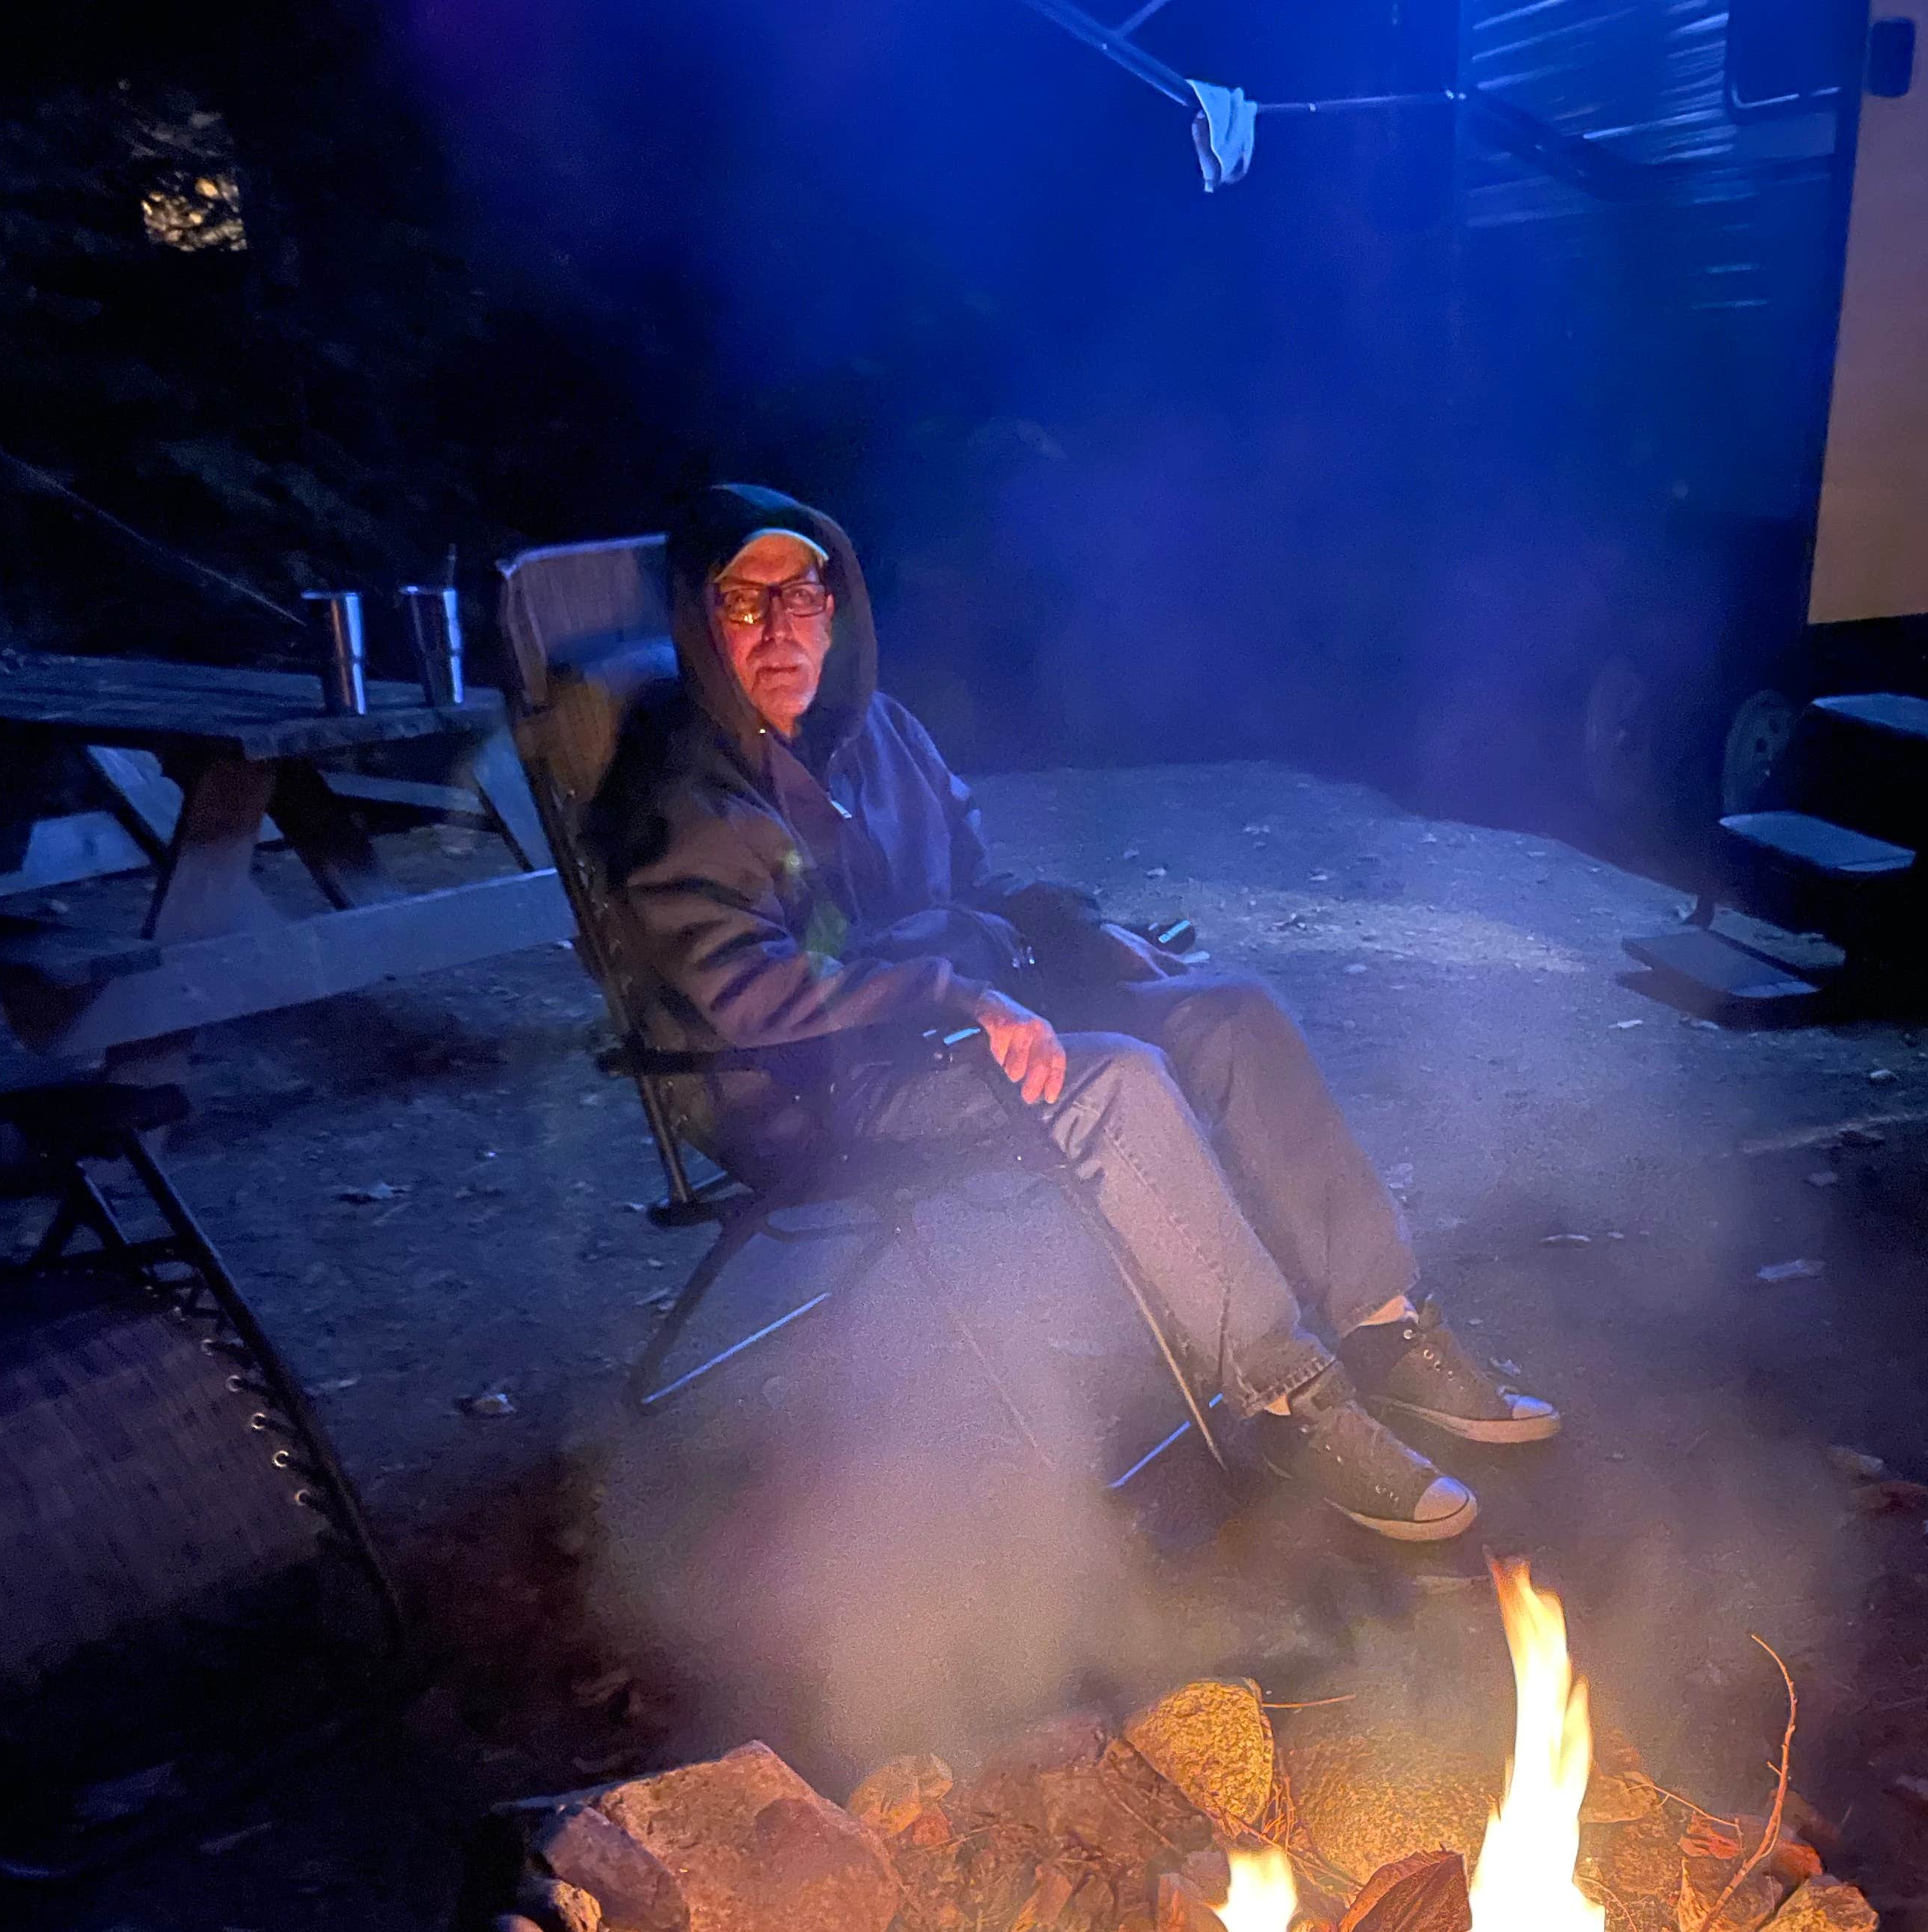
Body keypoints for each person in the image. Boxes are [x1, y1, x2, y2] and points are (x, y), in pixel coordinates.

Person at [592, 483, 1558, 1540]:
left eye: (804, 596)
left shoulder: (881, 738)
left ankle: (1382, 1324)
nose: (782, 631)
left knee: (1228, 1006)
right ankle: (1290, 1402)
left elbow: (975, 884)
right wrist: (950, 987)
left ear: (840, 606)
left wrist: (1079, 929)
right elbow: (748, 988)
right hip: (814, 1086)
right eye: (744, 603)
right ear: (700, 620)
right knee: (1114, 1083)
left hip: (956, 1020)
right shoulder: (678, 795)